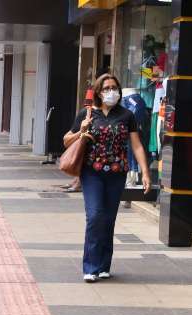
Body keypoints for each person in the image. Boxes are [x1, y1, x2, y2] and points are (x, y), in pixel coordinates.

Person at [63, 74, 151, 283]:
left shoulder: (127, 115)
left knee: (108, 219)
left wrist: (145, 172)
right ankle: (90, 266)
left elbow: (136, 145)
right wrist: (81, 131)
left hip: (116, 173)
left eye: (114, 87)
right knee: (95, 216)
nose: (111, 91)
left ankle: (103, 265)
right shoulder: (87, 113)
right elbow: (67, 140)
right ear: (99, 92)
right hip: (92, 172)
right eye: (106, 88)